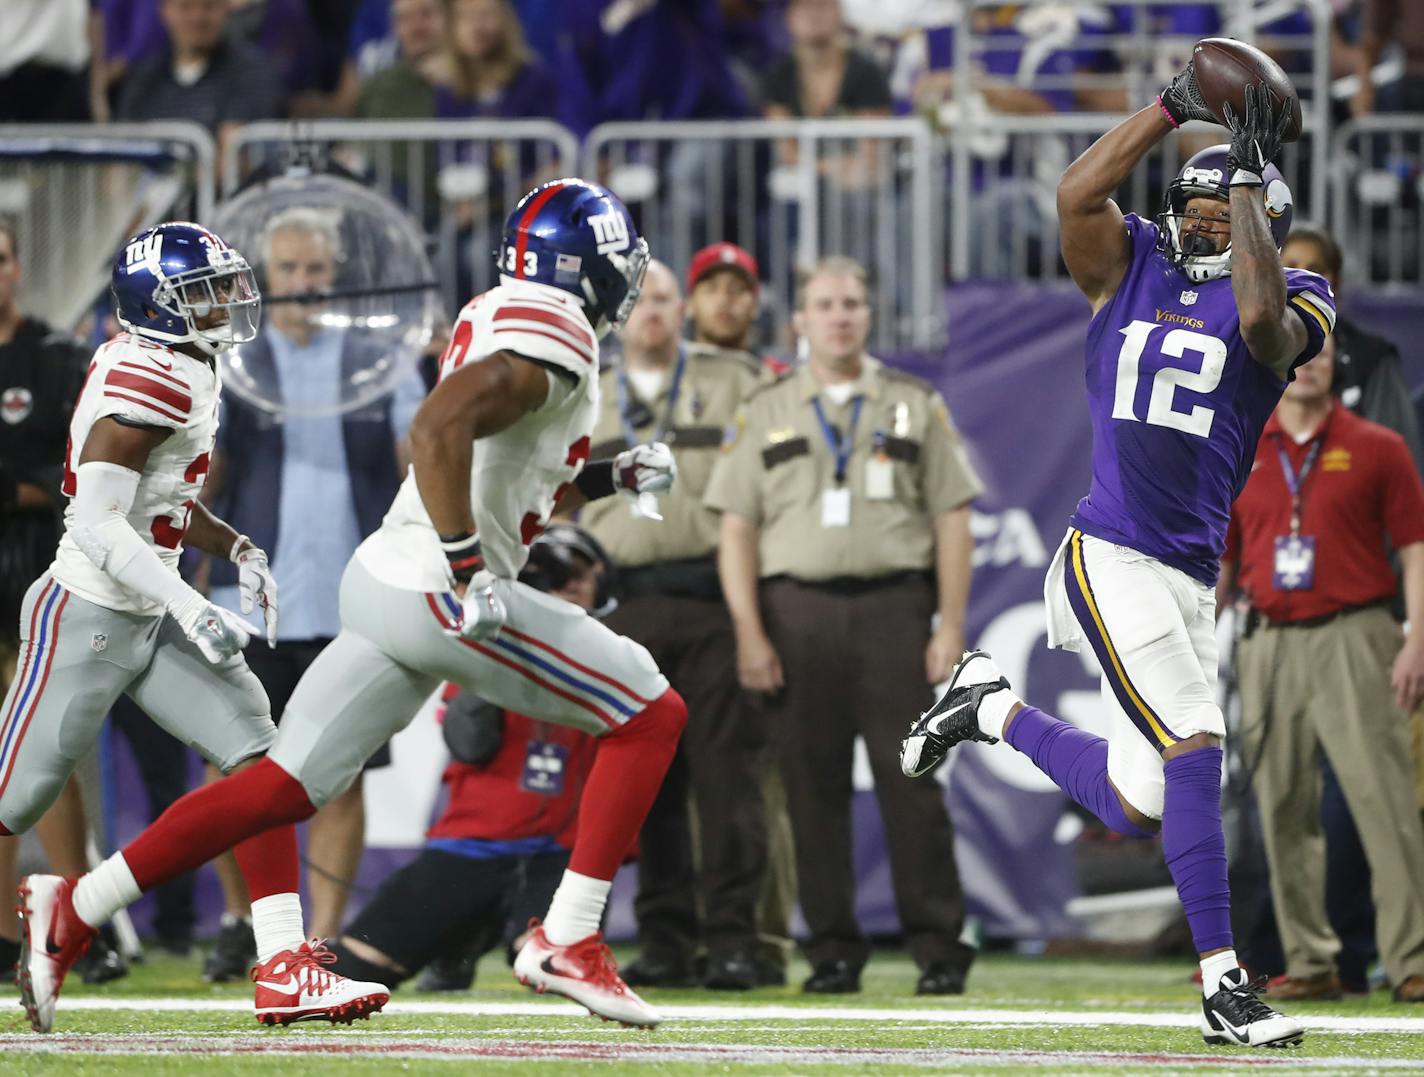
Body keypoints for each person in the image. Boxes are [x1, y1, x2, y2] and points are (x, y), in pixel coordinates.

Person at [28, 180, 687, 1030]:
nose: (624, 278)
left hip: (382, 573)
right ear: (579, 266)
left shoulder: (507, 313)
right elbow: (438, 428)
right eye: (614, 261)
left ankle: (76, 906)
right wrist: (465, 565)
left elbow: (501, 478)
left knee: (279, 785)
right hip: (435, 585)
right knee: (649, 709)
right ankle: (569, 936)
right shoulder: (553, 323)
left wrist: (606, 476)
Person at [898, 63, 1335, 1047]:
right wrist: (1169, 110)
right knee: (1194, 742)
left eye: (1223, 211)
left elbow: (1263, 326)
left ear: (1260, 216)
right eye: (1194, 202)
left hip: (1182, 572)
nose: (1201, 219)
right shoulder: (1125, 263)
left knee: (1142, 794)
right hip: (1109, 550)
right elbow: (1072, 194)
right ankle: (1223, 983)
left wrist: (1245, 196)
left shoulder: (1296, 291)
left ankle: (987, 707)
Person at [6, 221, 388, 1033]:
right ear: (159, 304)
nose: (224, 303)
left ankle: (281, 961)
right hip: (87, 612)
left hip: (151, 608)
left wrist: (232, 544)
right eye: (203, 292)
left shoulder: (185, 363)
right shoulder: (147, 373)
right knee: (13, 795)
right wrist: (191, 602)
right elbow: (100, 523)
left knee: (263, 761)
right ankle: (50, 913)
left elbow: (162, 499)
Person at [705, 255, 980, 997]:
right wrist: (749, 633)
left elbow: (953, 518)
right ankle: (831, 951)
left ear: (868, 314)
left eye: (852, 302)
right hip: (793, 615)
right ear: (799, 321)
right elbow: (736, 529)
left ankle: (939, 948)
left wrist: (948, 624)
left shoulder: (915, 402)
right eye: (824, 304)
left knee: (913, 779)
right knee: (809, 790)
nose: (839, 315)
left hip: (895, 608)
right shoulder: (766, 408)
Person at [197, 206, 426, 980]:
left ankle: (320, 937)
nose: (301, 283)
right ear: (265, 279)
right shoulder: (232, 362)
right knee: (231, 766)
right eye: (287, 270)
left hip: (352, 602)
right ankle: (241, 921)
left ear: (333, 278)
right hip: (247, 600)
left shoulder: (380, 359)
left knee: (342, 772)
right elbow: (206, 477)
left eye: (314, 270)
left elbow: (416, 457)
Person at [578, 260, 767, 991]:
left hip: (711, 598)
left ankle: (732, 940)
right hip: (619, 604)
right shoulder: (583, 388)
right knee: (644, 783)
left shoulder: (738, 380)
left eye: (664, 299)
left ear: (683, 308)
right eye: (640, 300)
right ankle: (663, 938)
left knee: (729, 782)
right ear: (619, 314)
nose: (651, 312)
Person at [1220, 335, 1424, 1004]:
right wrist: (1195, 643)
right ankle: (1310, 961)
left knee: (1383, 800)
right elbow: (1221, 562)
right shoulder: (1241, 445)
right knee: (1280, 806)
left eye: (1322, 349)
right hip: (1268, 640)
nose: (1309, 360)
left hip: (1355, 635)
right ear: (1276, 361)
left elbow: (1416, 550)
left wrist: (1417, 638)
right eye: (1299, 347)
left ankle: (1411, 960)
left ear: (1337, 364)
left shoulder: (1377, 446)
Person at [328, 523, 608, 990]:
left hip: (563, 854)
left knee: (555, 973)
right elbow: (468, 743)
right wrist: (499, 650)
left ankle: (472, 938)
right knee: (354, 968)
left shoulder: (620, 654)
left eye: (581, 575)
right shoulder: (486, 640)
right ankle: (458, 938)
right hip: (473, 845)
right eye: (553, 577)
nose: (570, 587)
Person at [0, 220, 126, 983]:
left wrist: (26, 485)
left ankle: (75, 922)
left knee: (48, 757)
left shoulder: (53, 356)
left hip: (32, 576)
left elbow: (77, 464)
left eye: (2, 256)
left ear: (17, 267)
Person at [682, 240, 796, 981]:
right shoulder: (660, 381)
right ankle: (705, 933)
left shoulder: (781, 383)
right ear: (692, 300)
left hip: (757, 595)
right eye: (712, 287)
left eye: (739, 288)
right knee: (695, 779)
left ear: (756, 302)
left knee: (761, 778)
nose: (726, 301)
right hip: (681, 591)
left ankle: (768, 936)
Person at [1280, 224, 1423, 471]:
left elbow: (1398, 459)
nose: (1301, 278)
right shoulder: (1244, 346)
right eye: (1291, 266)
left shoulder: (1372, 356)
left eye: (1315, 270)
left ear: (1334, 279)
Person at [116, 0, 283, 140]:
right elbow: (124, 153)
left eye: (209, 6)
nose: (197, 17)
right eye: (185, 7)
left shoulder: (251, 71)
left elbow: (235, 160)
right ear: (164, 10)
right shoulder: (144, 77)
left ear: (226, 8)